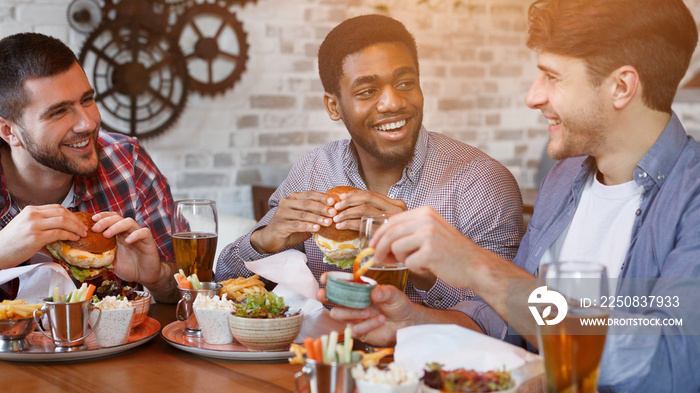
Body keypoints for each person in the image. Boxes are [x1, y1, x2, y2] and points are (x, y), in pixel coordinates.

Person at [321, 0, 700, 391]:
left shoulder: (692, 200)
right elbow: (510, 319)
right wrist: (415, 321)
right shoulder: (565, 178)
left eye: (552, 77)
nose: (533, 97)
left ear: (621, 87)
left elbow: (666, 366)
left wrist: (478, 267)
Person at [216, 14, 523, 310]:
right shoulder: (313, 171)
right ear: (333, 106)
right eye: (367, 91)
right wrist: (264, 242)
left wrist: (419, 266)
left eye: (405, 83)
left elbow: (509, 320)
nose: (392, 103)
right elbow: (224, 285)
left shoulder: (482, 183)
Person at [0, 33, 179, 303]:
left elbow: (191, 293)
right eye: (59, 112)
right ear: (8, 131)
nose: (87, 123)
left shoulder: (127, 163)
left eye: (86, 100)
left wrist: (156, 277)